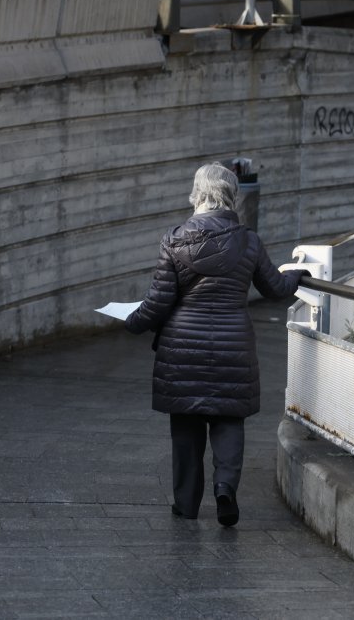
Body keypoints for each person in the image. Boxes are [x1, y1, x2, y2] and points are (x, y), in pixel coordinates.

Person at [124, 162, 304, 527]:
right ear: (230, 196)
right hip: (233, 346)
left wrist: (132, 322)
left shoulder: (175, 239)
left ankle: (186, 504)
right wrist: (297, 275)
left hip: (182, 350)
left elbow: (157, 303)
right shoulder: (249, 241)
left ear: (197, 193)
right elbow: (276, 289)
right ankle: (224, 488)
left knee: (186, 427)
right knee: (227, 420)